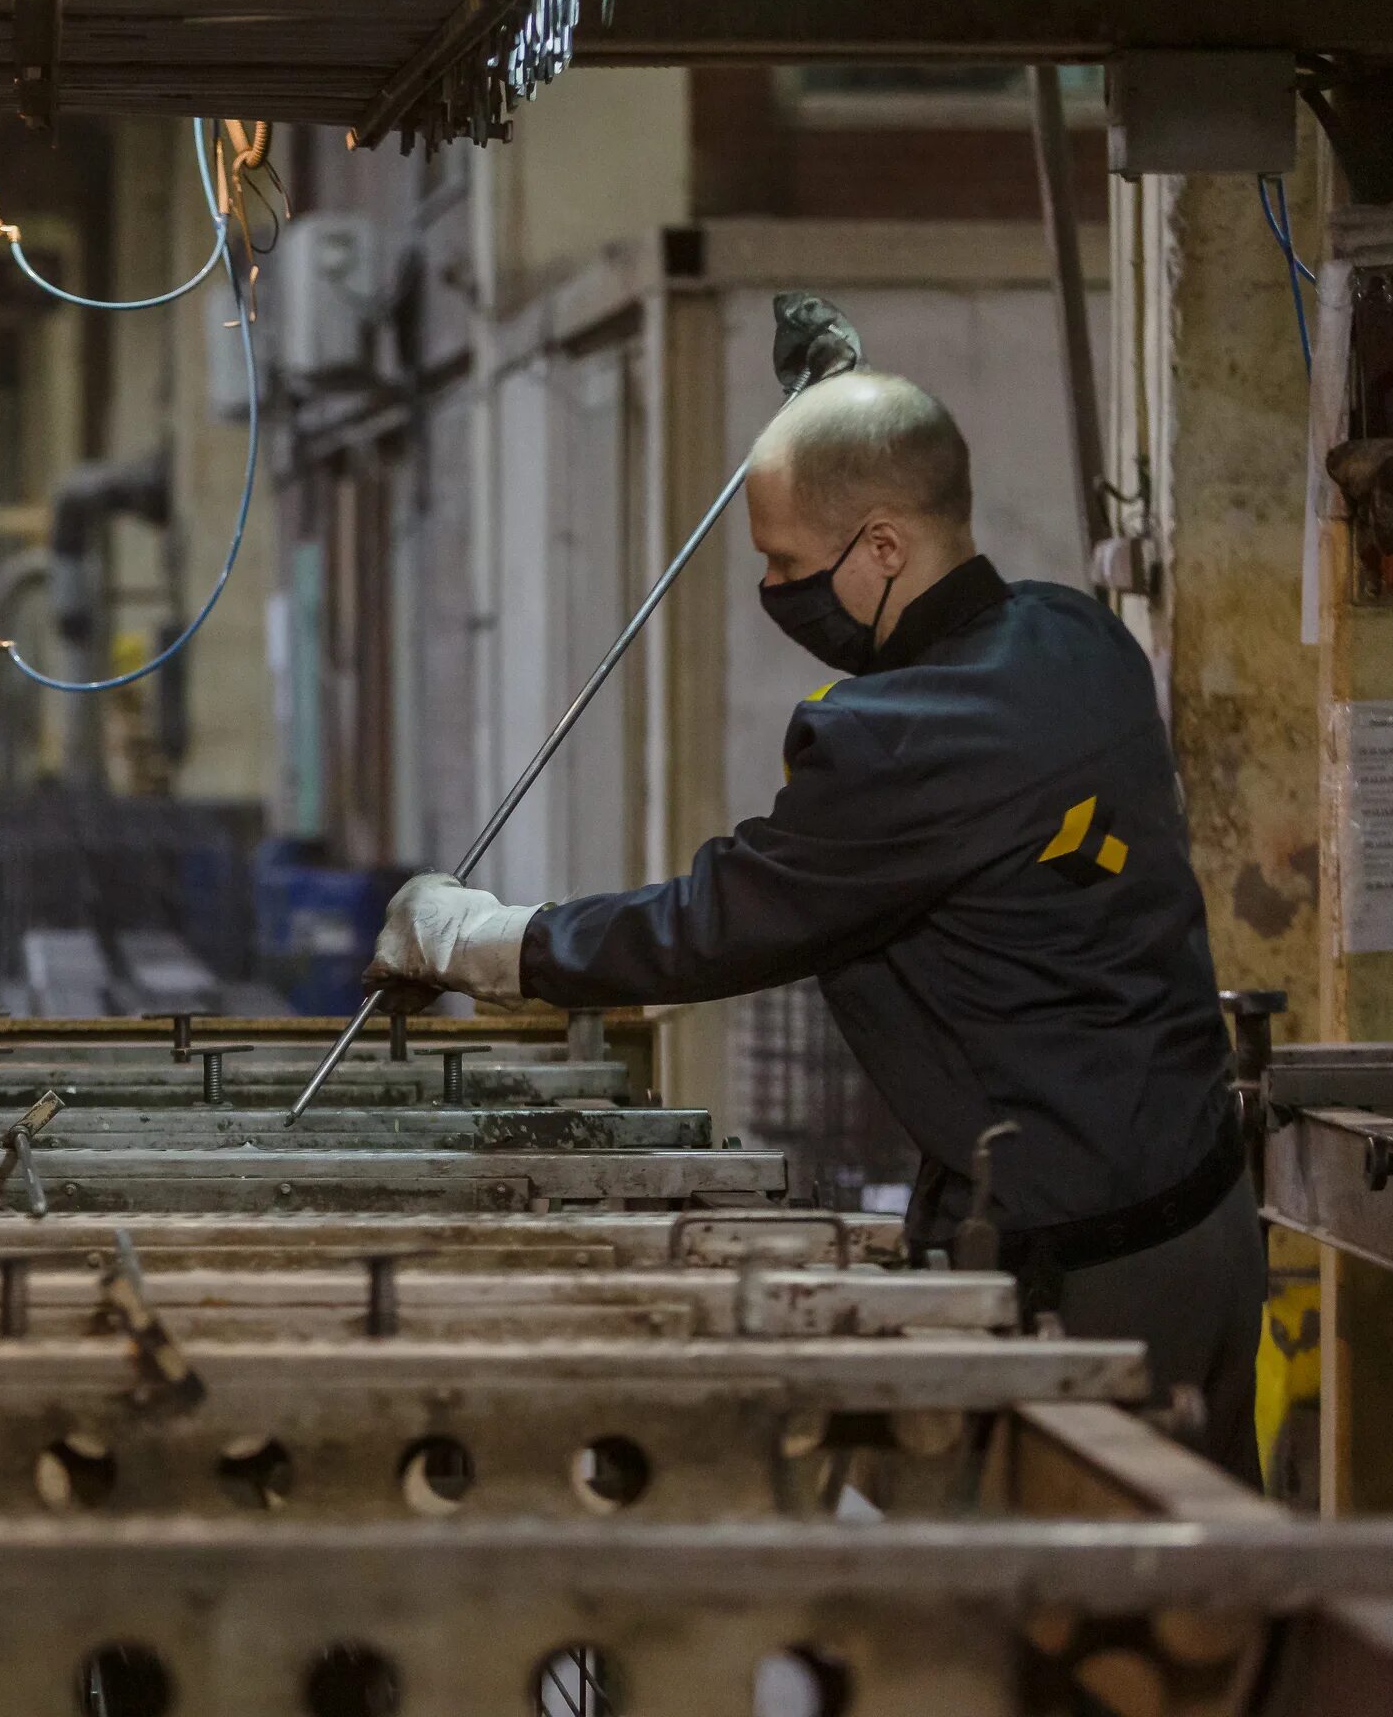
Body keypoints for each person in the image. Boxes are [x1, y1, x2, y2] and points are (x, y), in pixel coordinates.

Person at [369, 370, 1265, 1479]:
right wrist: (844, 385)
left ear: (882, 546)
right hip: (1211, 1231)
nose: (773, 587)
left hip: (1084, 1283)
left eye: (788, 564)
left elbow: (715, 922)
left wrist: (479, 940)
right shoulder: (1079, 636)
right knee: (1209, 1612)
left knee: (1036, 1623)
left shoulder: (896, 739)